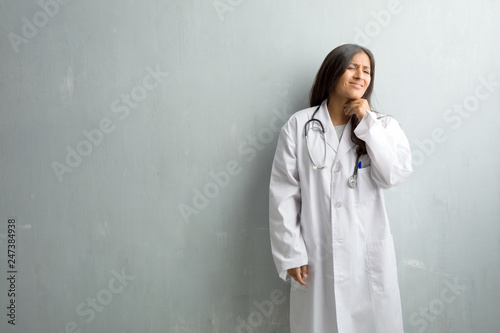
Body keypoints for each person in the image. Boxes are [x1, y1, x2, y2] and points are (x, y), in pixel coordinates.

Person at [268, 44, 413, 333]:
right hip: (316, 255)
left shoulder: (384, 126)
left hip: (366, 256)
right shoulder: (299, 126)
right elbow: (284, 193)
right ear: (332, 72)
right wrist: (292, 252)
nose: (361, 75)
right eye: (352, 67)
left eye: (367, 70)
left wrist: (368, 124)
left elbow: (392, 175)